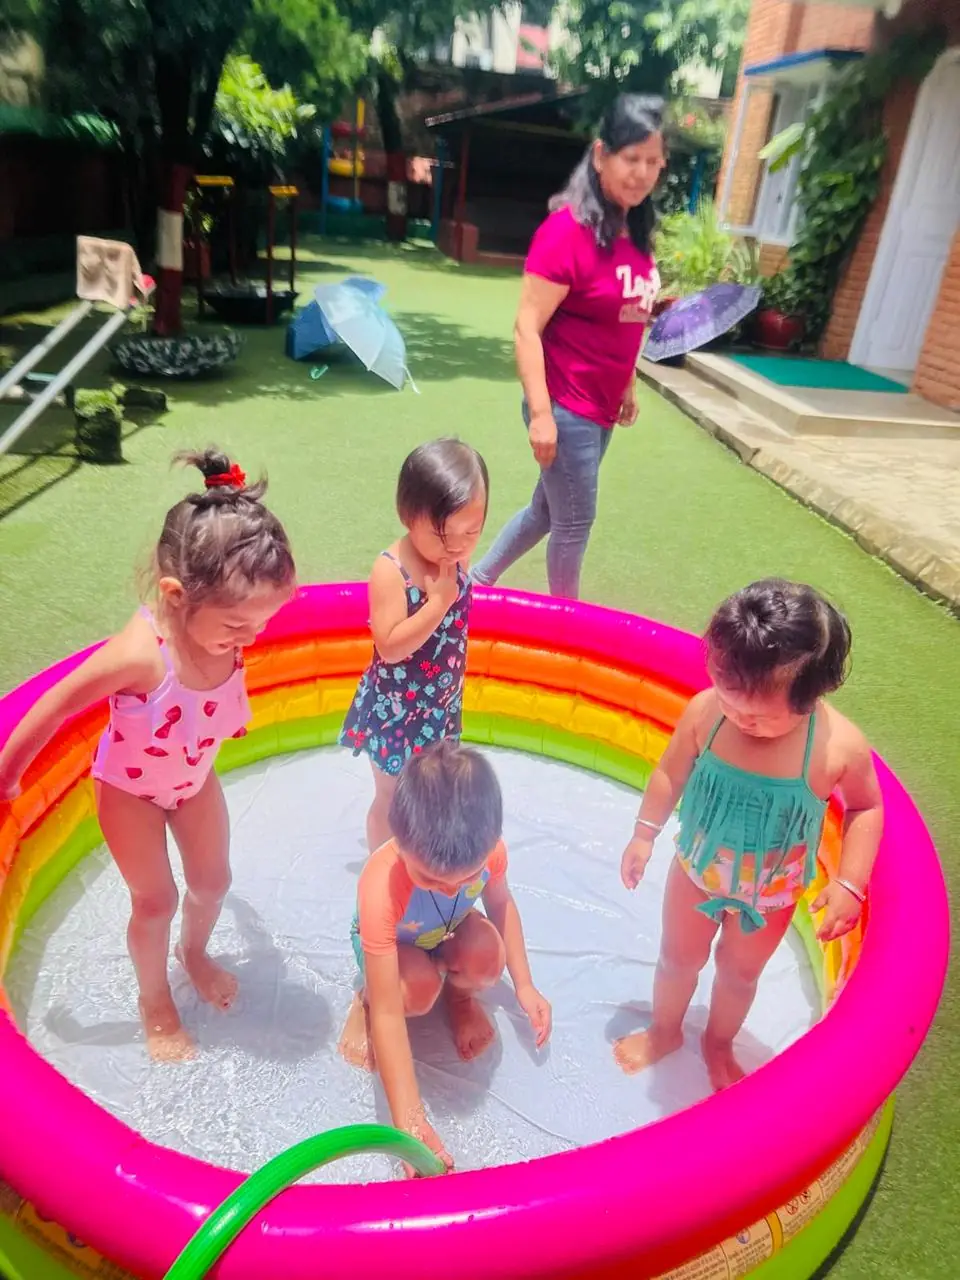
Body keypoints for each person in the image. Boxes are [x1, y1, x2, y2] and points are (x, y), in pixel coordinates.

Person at [0, 450, 296, 1062]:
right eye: (239, 626)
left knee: (213, 883)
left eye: (262, 623)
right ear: (176, 594)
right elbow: (54, 707)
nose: (252, 639)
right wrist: (7, 780)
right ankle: (154, 999)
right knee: (155, 898)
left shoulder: (229, 619)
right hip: (129, 790)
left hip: (192, 781)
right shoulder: (141, 655)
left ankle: (194, 953)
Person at [615, 580, 883, 1092]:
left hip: (773, 890)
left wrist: (850, 883)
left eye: (756, 715)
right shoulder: (706, 712)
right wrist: (644, 834)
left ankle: (718, 1043)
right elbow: (671, 772)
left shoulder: (836, 748)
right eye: (728, 698)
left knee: (739, 976)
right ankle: (664, 1031)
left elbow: (867, 806)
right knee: (677, 959)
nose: (739, 718)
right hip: (698, 870)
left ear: (812, 697)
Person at [472, 94, 664, 600]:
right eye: (631, 159)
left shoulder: (636, 232)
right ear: (601, 155)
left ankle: (475, 583)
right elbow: (526, 326)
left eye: (652, 161)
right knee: (575, 521)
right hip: (566, 403)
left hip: (600, 405)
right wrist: (540, 414)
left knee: (546, 510)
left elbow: (626, 318)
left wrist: (627, 383)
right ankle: (567, 626)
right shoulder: (567, 232)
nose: (641, 173)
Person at [338, 740, 551, 1171]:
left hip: (444, 931)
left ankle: (459, 998)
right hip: (392, 947)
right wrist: (409, 1125)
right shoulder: (382, 887)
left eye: (466, 877)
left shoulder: (489, 852)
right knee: (412, 991)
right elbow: (389, 1016)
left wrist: (525, 985)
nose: (453, 888)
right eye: (432, 878)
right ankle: (362, 997)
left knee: (488, 956)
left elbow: (502, 906)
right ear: (399, 843)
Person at [340, 438, 488, 853]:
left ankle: (420, 865)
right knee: (392, 798)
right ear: (409, 516)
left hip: (438, 707)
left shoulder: (453, 559)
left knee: (431, 795)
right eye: (443, 533)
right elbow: (388, 646)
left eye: (471, 531)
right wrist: (438, 604)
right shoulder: (392, 571)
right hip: (396, 712)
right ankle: (381, 874)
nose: (457, 545)